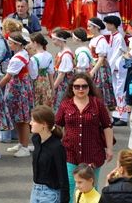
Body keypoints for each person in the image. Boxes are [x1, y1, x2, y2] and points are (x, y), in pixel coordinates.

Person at [55, 71, 114, 199]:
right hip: (70, 153)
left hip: (93, 153)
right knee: (71, 187)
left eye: (84, 86)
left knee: (90, 188)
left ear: (89, 87)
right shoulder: (65, 104)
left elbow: (107, 126)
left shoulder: (97, 104)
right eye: (77, 86)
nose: (80, 89)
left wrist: (109, 148)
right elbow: (57, 125)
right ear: (72, 88)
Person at [28, 105, 69, 203]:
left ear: (44, 124)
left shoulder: (57, 147)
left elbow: (63, 176)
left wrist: (64, 200)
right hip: (35, 190)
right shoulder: (36, 139)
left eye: (33, 121)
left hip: (50, 194)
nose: (30, 123)